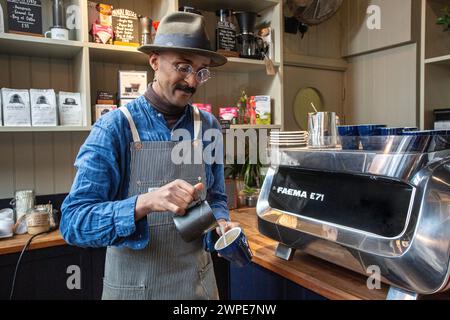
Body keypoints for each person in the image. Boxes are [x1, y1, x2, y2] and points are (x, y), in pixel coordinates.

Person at [60, 12, 238, 300]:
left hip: (197, 287)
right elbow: (73, 223)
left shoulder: (209, 126)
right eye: (183, 66)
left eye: (201, 71)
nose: (192, 81)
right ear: (154, 61)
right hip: (133, 289)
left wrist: (220, 224)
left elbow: (216, 197)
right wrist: (144, 203)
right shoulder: (113, 128)